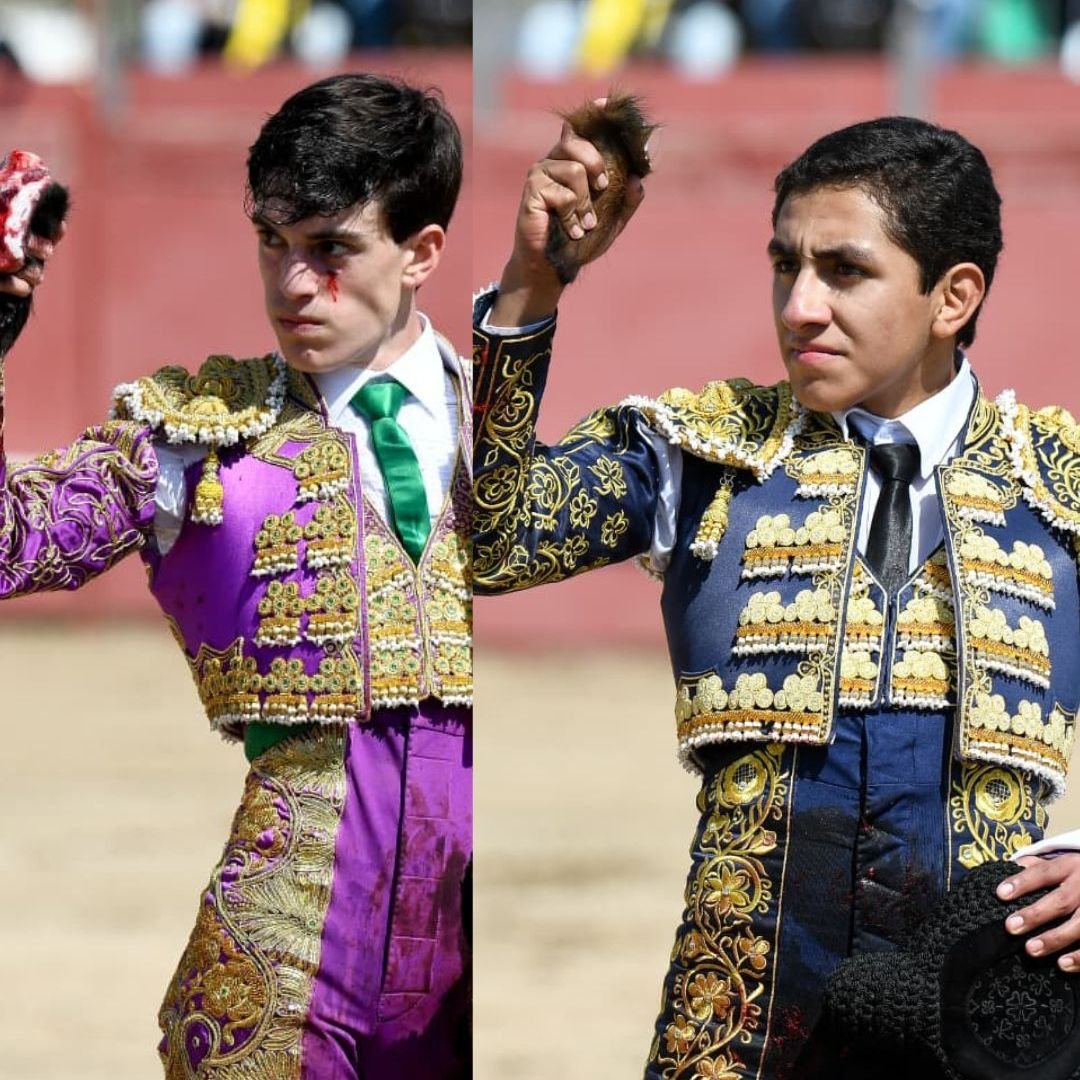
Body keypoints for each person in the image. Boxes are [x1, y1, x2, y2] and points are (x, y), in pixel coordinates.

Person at [472, 111, 1080, 1077]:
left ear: (953, 296)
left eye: (844, 271)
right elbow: (492, 543)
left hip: (979, 1028)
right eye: (785, 265)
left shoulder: (1060, 485)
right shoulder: (705, 455)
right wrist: (532, 287)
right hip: (740, 1032)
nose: (799, 307)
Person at [0, 73, 471, 1079]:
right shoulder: (194, 435)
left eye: (331, 248)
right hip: (284, 958)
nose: (293, 284)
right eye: (271, 240)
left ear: (422, 251)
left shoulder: (503, 423)